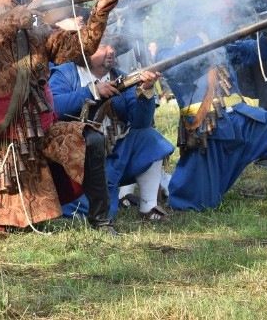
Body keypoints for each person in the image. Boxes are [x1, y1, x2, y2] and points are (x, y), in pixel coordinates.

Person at [0, 0, 122, 233]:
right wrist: (10, 24)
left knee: (93, 139)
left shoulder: (35, 33)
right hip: (5, 139)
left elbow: (79, 47)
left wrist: (100, 12)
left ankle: (101, 220)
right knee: (2, 222)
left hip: (43, 129)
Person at [160, 8, 267, 211]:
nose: (197, 25)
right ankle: (162, 185)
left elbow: (255, 51)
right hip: (210, 132)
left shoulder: (220, 47)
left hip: (244, 119)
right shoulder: (166, 54)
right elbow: (172, 67)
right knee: (192, 202)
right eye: (189, 21)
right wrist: (203, 42)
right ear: (177, 27)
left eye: (198, 20)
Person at [48, 35, 174, 220]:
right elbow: (53, 107)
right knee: (86, 211)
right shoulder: (66, 73)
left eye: (113, 46)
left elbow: (140, 122)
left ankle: (149, 206)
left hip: (112, 153)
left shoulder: (121, 76)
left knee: (147, 137)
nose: (111, 50)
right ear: (86, 49)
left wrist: (146, 90)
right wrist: (91, 92)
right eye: (103, 46)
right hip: (76, 160)